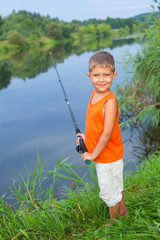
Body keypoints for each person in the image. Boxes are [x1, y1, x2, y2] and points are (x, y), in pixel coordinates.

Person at [77, 51, 128, 226]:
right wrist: (86, 137)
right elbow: (96, 125)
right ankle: (124, 213)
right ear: (89, 76)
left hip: (108, 156)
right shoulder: (94, 94)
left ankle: (115, 222)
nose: (101, 79)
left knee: (109, 189)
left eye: (106, 75)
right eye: (96, 75)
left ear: (114, 75)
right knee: (115, 185)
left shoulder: (110, 101)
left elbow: (106, 134)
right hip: (104, 154)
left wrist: (92, 155)